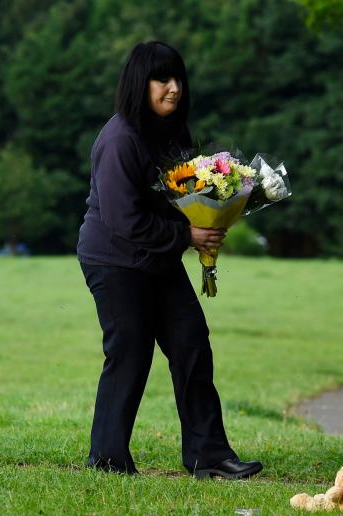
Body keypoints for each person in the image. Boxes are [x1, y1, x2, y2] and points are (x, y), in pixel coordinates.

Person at [76, 41, 262, 479]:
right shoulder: (119, 140)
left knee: (191, 344)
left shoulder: (169, 131)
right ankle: (106, 460)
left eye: (178, 78)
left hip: (156, 257)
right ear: (140, 84)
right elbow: (125, 221)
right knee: (129, 354)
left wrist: (213, 210)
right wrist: (188, 234)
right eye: (163, 79)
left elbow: (177, 195)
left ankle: (209, 456)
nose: (174, 88)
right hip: (114, 260)